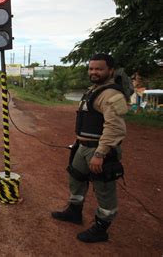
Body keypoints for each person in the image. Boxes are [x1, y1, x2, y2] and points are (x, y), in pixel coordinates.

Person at [51, 53, 128, 243]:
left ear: (110, 70)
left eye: (99, 69)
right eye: (91, 68)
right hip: (82, 146)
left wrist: (101, 154)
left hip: (99, 150)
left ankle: (101, 228)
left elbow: (115, 127)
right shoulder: (94, 90)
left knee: (103, 188)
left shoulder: (112, 95)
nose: (94, 72)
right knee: (76, 178)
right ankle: (74, 212)